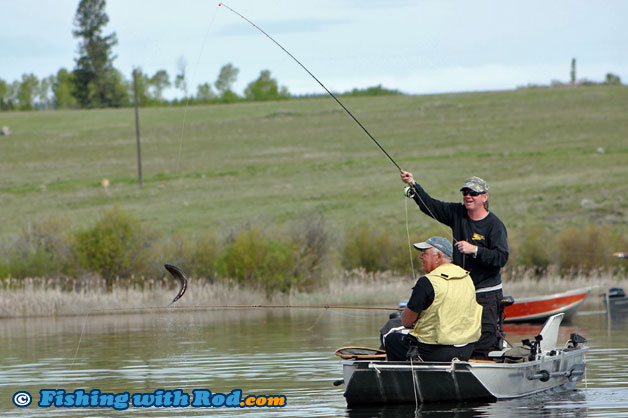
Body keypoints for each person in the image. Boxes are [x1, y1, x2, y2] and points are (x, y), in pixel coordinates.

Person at [400, 171, 509, 359]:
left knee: (484, 341)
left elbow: (501, 258)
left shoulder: (495, 225)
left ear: (484, 197)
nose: (468, 196)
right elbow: (431, 206)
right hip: (461, 292)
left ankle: (482, 369)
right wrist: (414, 185)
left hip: (486, 293)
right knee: (460, 337)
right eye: (465, 192)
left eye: (473, 193)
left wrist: (475, 250)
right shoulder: (457, 213)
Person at [383, 237, 483, 362]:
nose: (420, 257)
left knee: (391, 339)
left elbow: (407, 321)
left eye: (424, 253)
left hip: (435, 353)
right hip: (465, 350)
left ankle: (402, 379)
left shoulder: (427, 282)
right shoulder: (467, 277)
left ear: (438, 256)